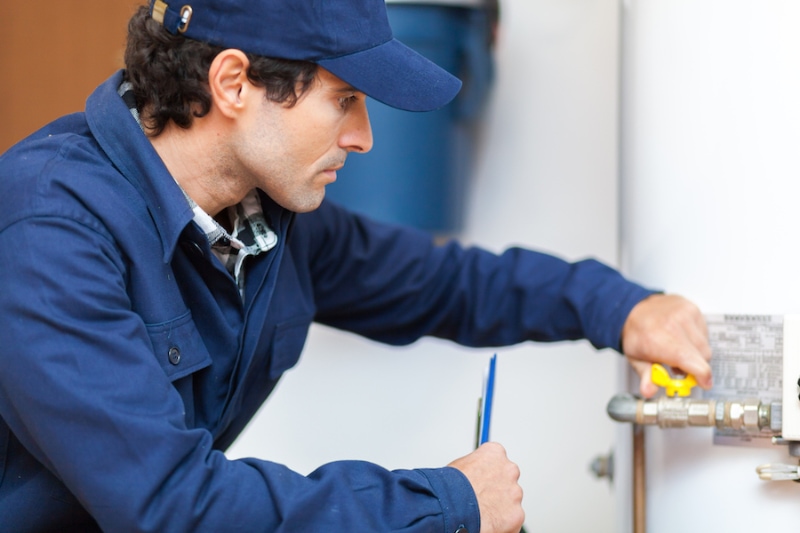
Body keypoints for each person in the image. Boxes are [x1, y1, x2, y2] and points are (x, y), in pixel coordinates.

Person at [0, 0, 711, 531]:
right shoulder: (49, 233)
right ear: (234, 84)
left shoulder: (263, 217)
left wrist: (620, 306)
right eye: (344, 100)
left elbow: (444, 286)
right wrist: (448, 504)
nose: (364, 137)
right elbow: (171, 506)